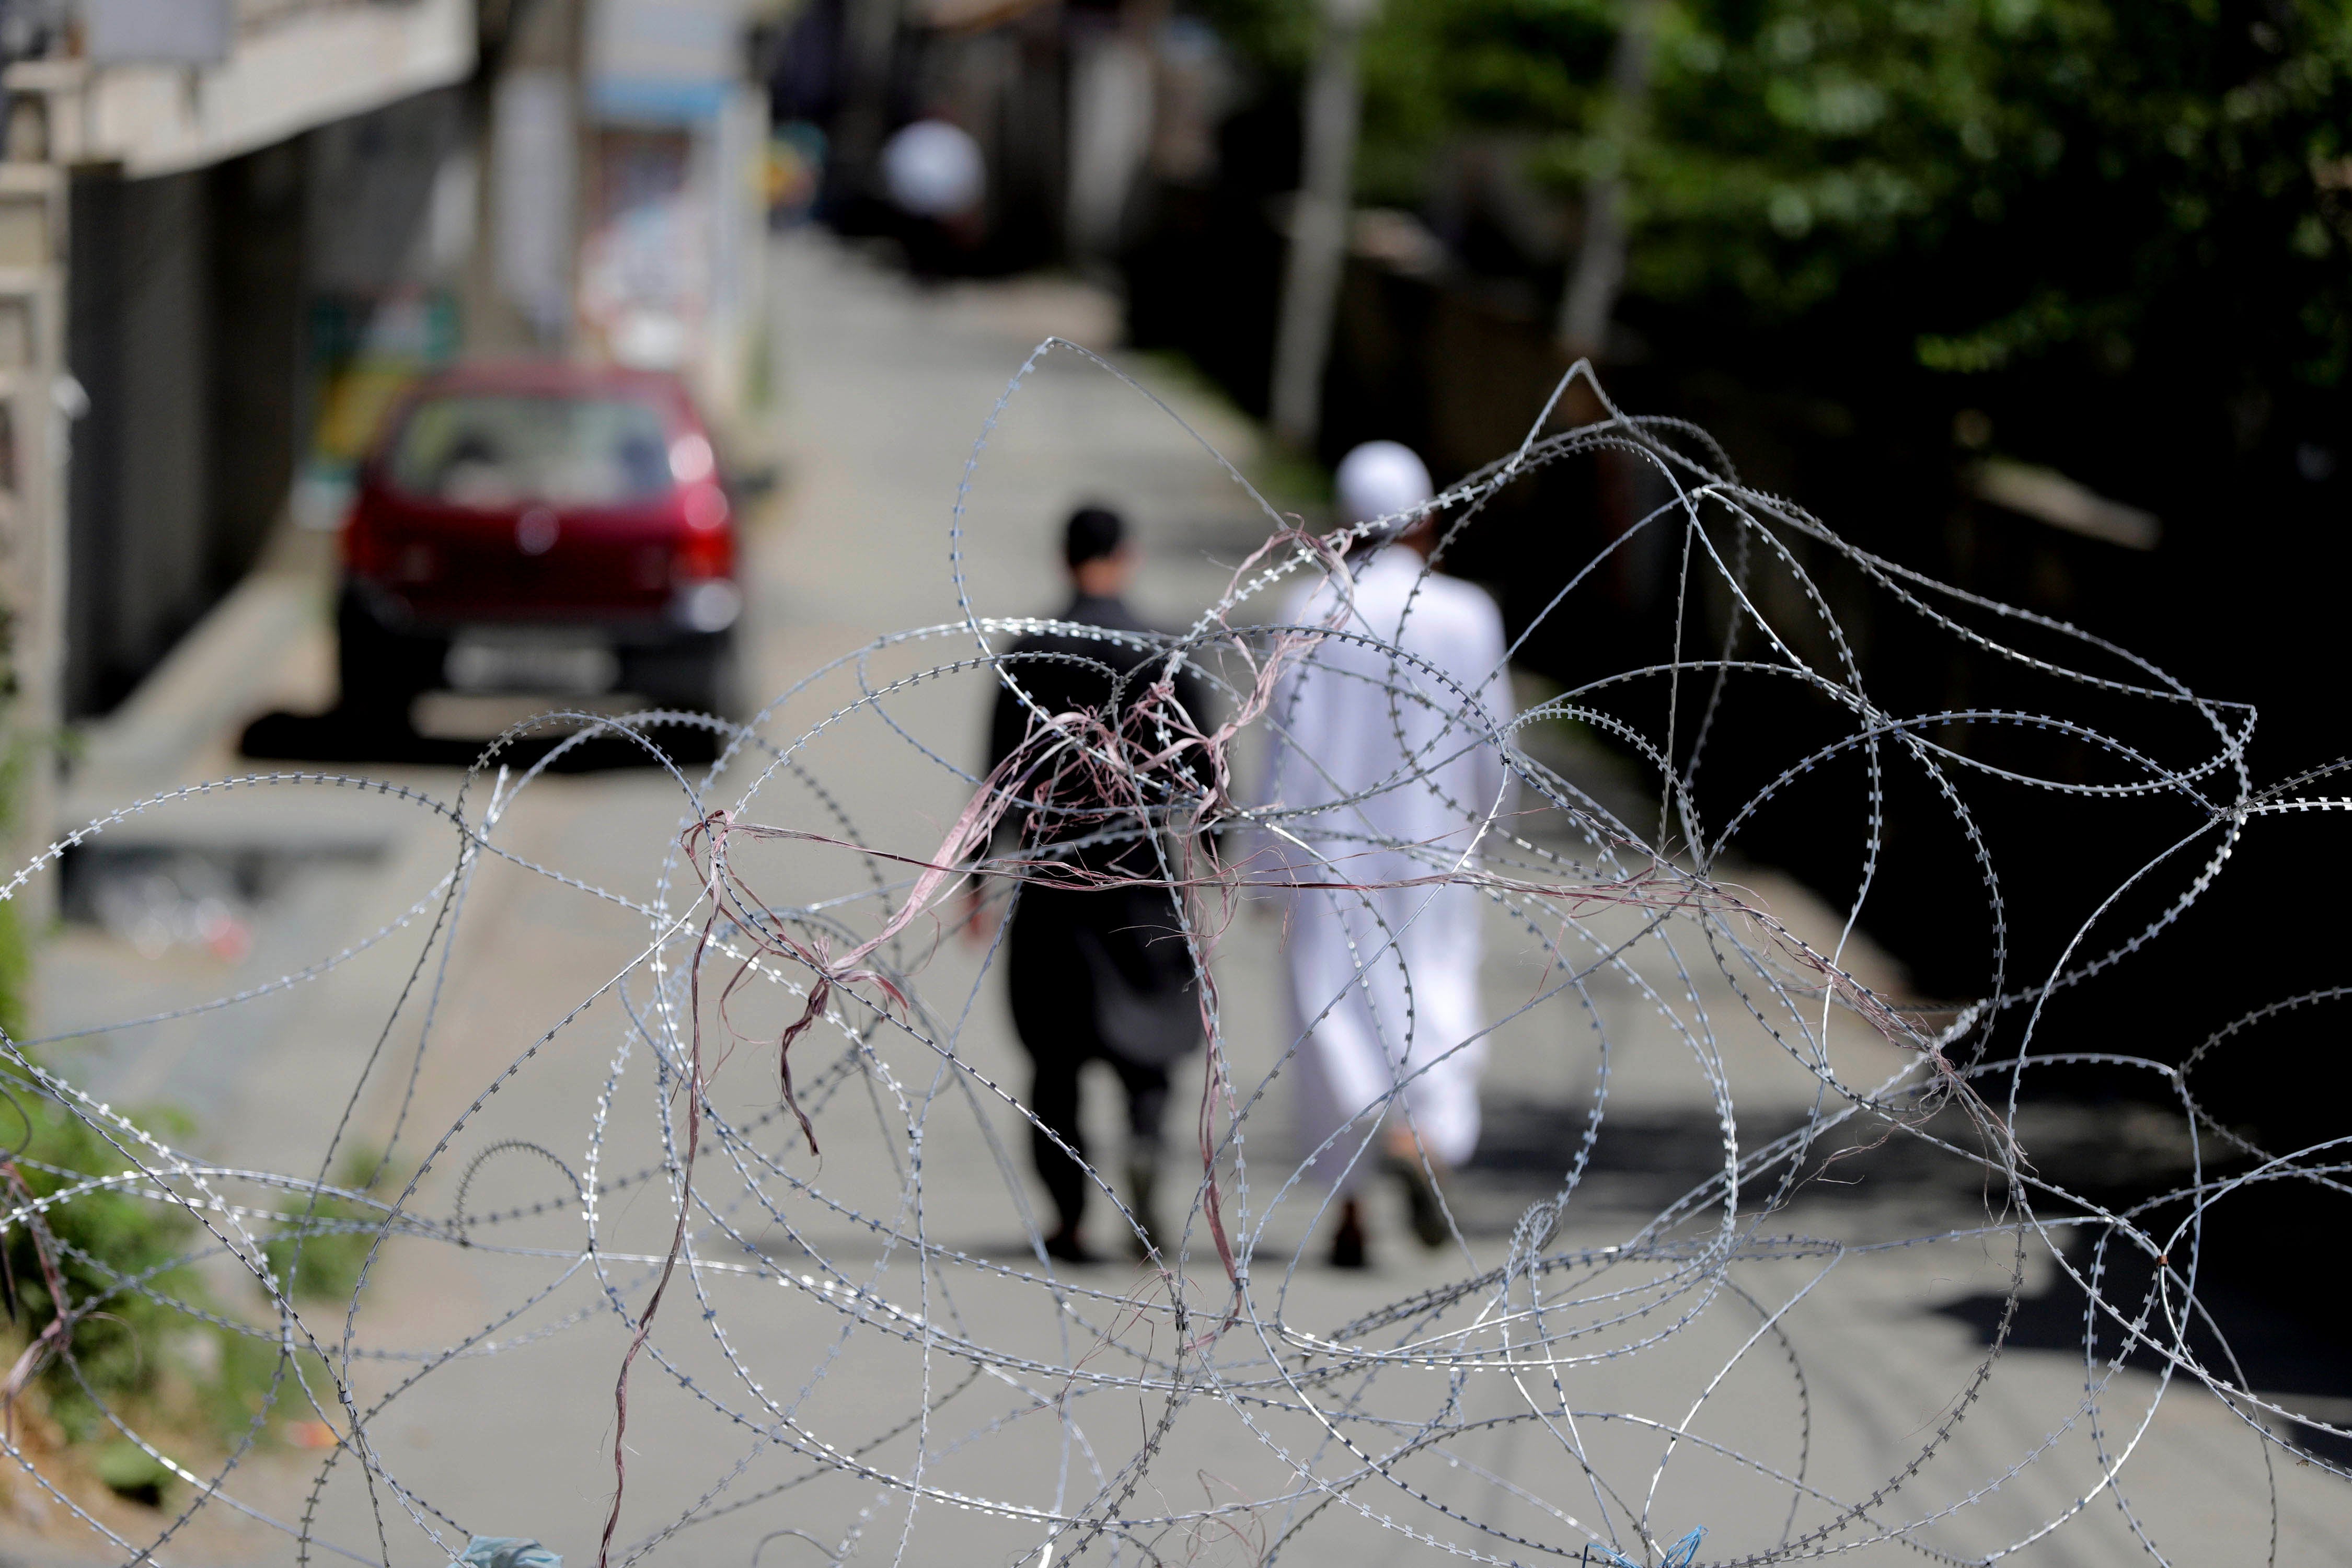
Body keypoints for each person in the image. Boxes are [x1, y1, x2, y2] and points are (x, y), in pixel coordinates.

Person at [1262, 441, 1513, 1267]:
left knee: (1331, 1017)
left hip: (1326, 856)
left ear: (1342, 524)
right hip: (1432, 850)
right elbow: (1493, 744)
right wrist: (1488, 829)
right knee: (1429, 998)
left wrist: (1264, 867)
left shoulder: (1309, 608)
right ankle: (1420, 1140)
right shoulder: (1466, 614)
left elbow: (1281, 750)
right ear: (1426, 521)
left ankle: (1351, 1211)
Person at [976, 506, 1210, 1264]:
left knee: (1056, 1053)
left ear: (1063, 555)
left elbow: (997, 779)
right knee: (1149, 1040)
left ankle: (1071, 1217)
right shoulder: (1161, 652)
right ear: (1129, 555)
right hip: (1142, 870)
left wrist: (975, 879)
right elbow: (1206, 770)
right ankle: (1144, 1143)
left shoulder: (1031, 652)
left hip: (1053, 872)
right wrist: (1215, 854)